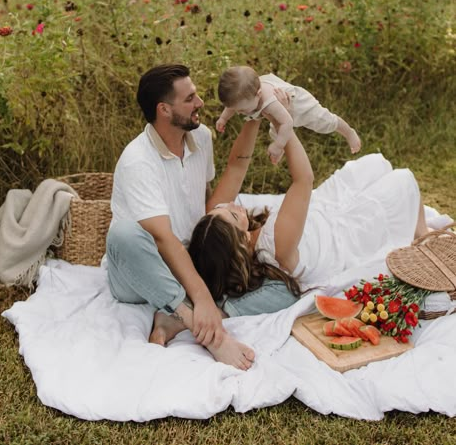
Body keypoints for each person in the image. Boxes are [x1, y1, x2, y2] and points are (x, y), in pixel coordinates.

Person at [105, 64, 298, 371]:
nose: (201, 104)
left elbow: (217, 194)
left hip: (191, 261)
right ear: (164, 110)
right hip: (142, 270)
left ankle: (176, 319)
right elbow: (163, 240)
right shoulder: (137, 162)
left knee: (285, 291)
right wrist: (203, 298)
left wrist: (255, 116)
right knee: (123, 235)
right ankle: (205, 330)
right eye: (190, 98)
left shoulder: (201, 138)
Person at [189, 120, 430, 302]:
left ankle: (414, 226)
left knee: (374, 164)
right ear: (241, 242)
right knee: (403, 181)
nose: (229, 204)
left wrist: (255, 115)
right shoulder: (276, 245)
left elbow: (237, 164)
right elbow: (304, 178)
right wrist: (284, 123)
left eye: (220, 208)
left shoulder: (215, 225)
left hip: (320, 212)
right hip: (340, 239)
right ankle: (420, 235)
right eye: (232, 214)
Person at [216, 66, 361, 164]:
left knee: (324, 122)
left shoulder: (270, 101)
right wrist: (224, 118)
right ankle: (279, 151)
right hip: (276, 112)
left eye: (242, 110)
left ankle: (348, 132)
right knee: (275, 132)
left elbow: (287, 122)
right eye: (237, 110)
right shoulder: (246, 95)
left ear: (258, 94)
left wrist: (278, 145)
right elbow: (232, 107)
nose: (240, 113)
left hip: (298, 105)